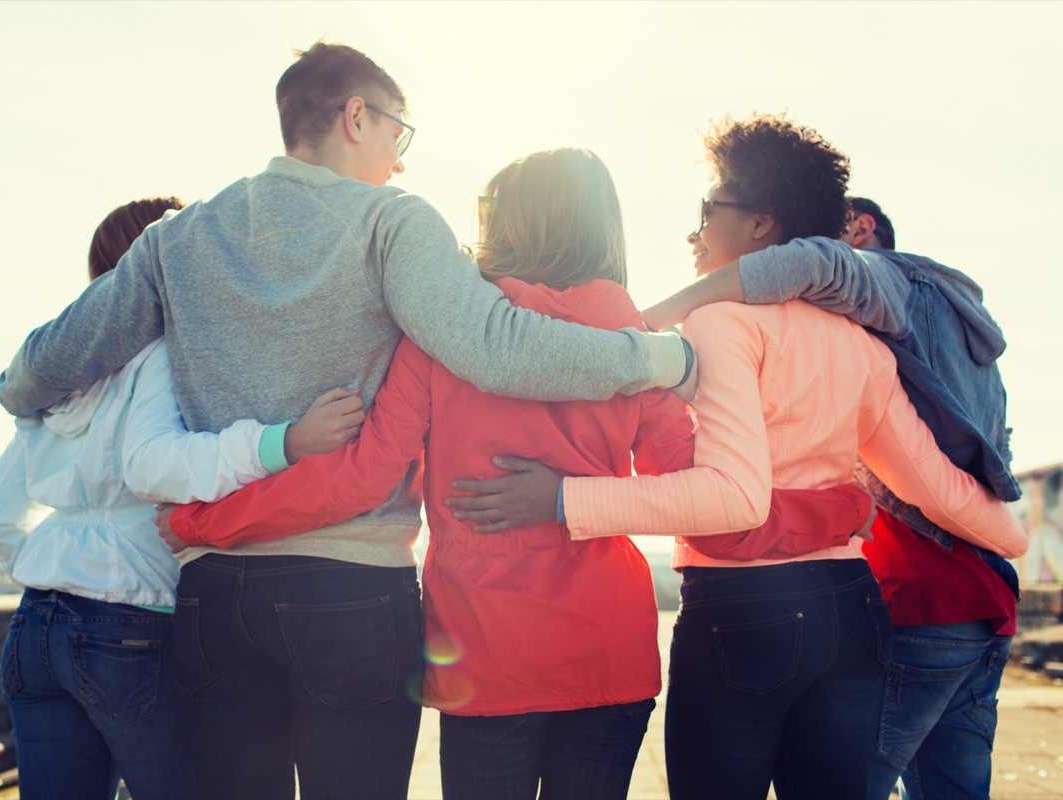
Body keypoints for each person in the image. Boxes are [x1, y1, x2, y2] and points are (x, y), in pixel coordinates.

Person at [0, 43, 697, 800]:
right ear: (357, 117)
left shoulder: (177, 239)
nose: (399, 163)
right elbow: (494, 347)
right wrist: (661, 362)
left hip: (215, 595)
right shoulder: (391, 223)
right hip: (351, 587)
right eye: (400, 135)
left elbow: (31, 373)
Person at [158, 148, 874, 799]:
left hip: (486, 655)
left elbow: (360, 479)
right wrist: (836, 509)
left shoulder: (444, 339)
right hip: (609, 651)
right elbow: (711, 509)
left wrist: (203, 520)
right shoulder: (634, 343)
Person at [444, 116, 1027, 800]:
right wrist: (1008, 540)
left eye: (706, 212)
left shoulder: (719, 323)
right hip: (851, 610)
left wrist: (565, 498)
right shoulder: (864, 347)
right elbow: (936, 486)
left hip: (744, 612)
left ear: (758, 227)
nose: (693, 233)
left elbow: (730, 499)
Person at [0, 197, 364, 800]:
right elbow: (153, 466)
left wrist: (57, 569)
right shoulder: (159, 352)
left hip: (34, 628)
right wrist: (282, 442)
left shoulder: (58, 380)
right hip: (128, 622)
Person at [638, 193, 1023, 800]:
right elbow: (940, 479)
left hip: (912, 593)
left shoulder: (876, 281)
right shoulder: (921, 333)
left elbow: (809, 265)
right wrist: (1010, 540)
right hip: (977, 593)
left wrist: (661, 313)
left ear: (858, 230)